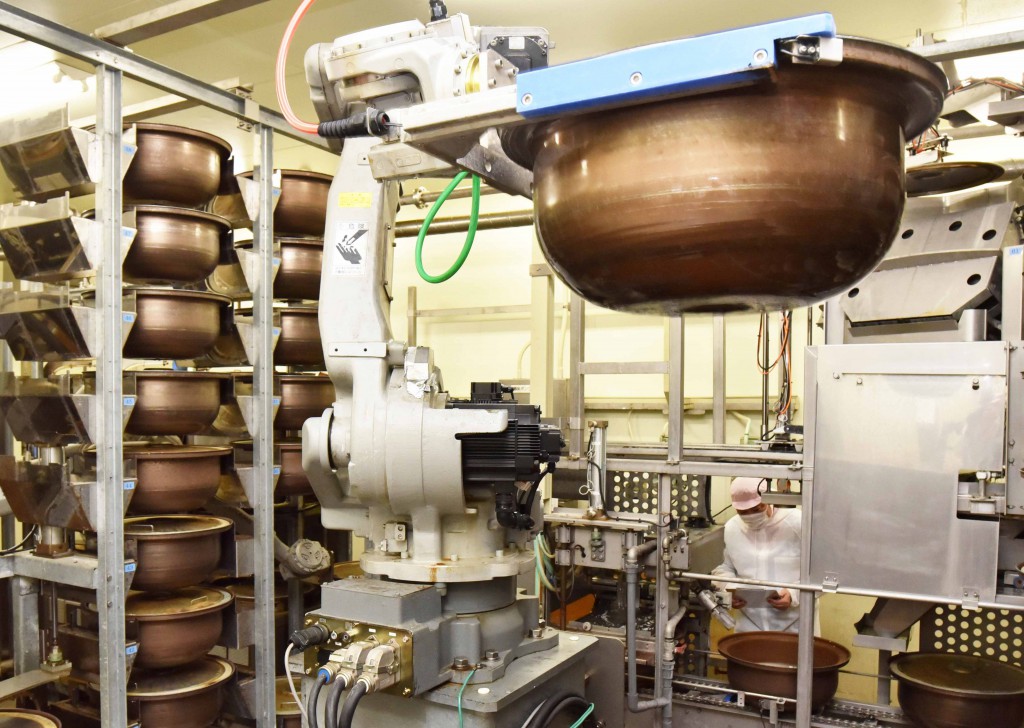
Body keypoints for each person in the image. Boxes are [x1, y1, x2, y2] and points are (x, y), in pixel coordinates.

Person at [712, 477, 805, 633]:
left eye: (757, 509)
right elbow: (723, 567)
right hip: (749, 625)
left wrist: (794, 594)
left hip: (796, 626)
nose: (751, 515)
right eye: (743, 512)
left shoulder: (798, 522)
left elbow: (821, 572)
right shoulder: (732, 528)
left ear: (768, 498)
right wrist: (729, 590)